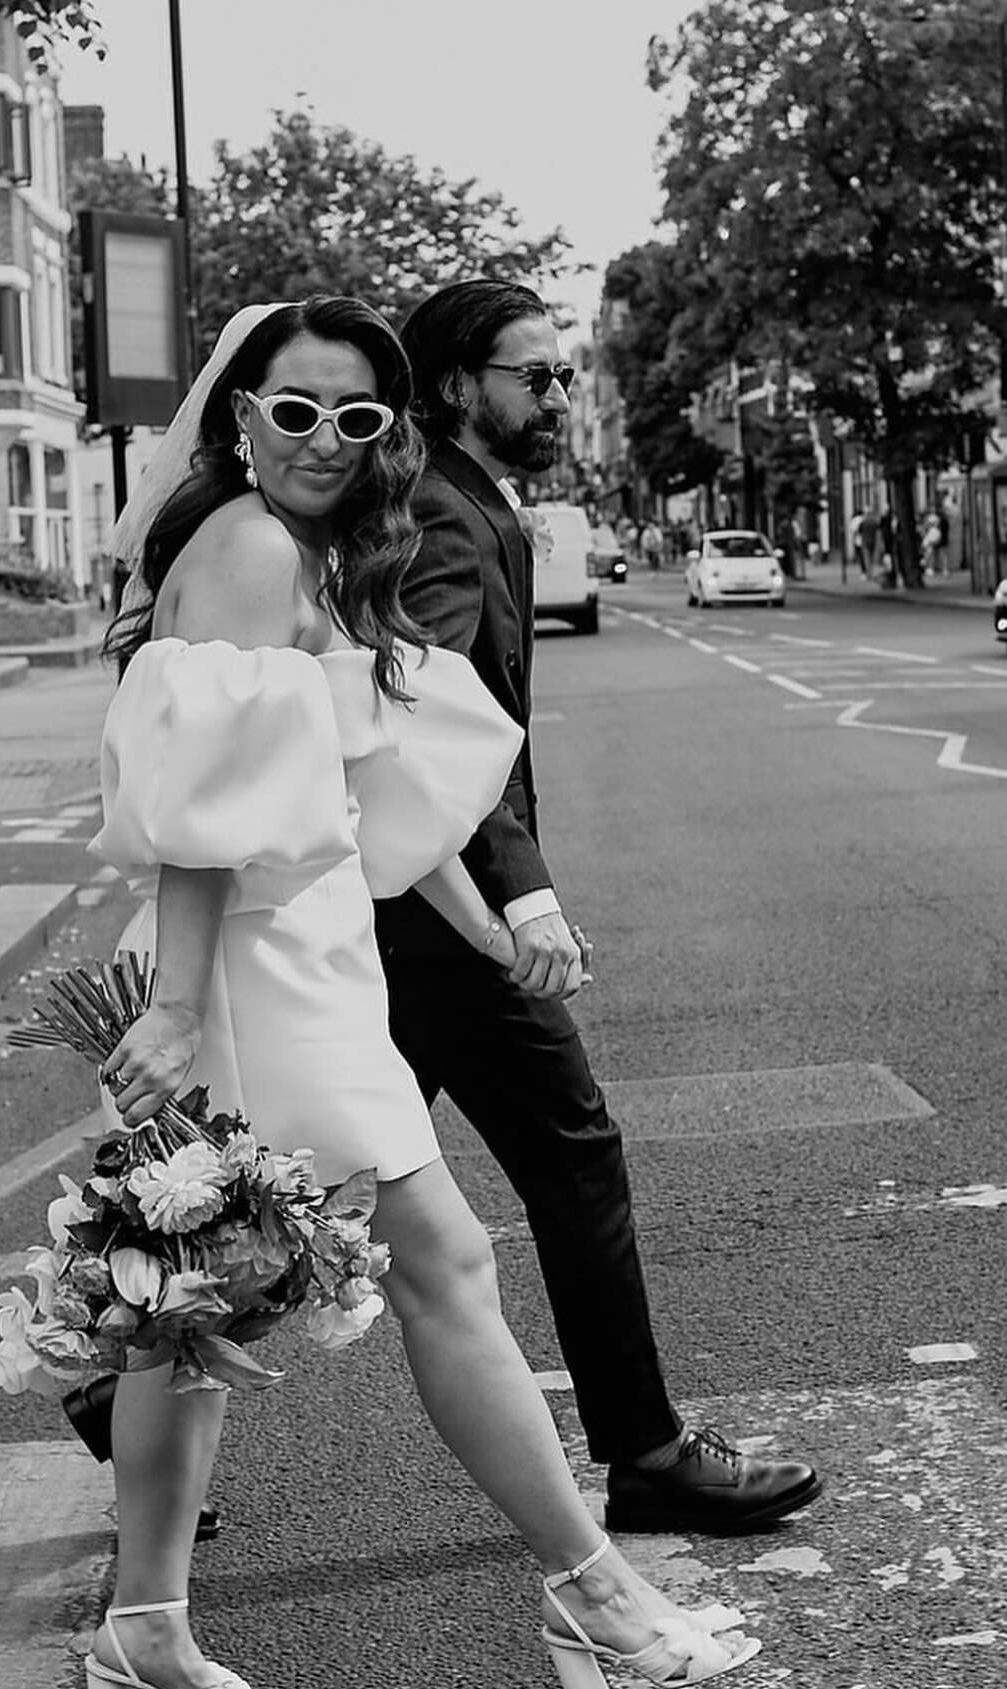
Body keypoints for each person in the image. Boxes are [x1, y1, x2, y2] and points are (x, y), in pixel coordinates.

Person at [83, 297, 760, 1689]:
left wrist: (485, 919)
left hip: (313, 945)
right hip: (269, 973)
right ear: (235, 415)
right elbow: (209, 815)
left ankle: (145, 1625)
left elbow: (362, 781)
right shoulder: (250, 548)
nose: (323, 441)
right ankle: (598, 1591)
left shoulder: (304, 552)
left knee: (190, 1309)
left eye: (357, 417)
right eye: (291, 411)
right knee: (440, 1272)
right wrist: (176, 1004)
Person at [377, 279, 822, 1547]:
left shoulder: (454, 501)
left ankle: (132, 1377)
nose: (559, 395)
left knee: (311, 1175)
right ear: (459, 384)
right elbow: (445, 735)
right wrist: (523, 897)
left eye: (565, 374)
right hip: (438, 918)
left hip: (405, 907)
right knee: (573, 1158)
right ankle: (646, 1454)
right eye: (535, 375)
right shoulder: (447, 519)